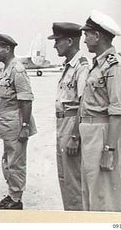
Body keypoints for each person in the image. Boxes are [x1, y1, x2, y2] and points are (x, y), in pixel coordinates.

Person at [0, 33, 36, 210]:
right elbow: (6, 96)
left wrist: (25, 127)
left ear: (8, 48)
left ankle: (16, 200)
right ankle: (12, 195)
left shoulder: (17, 69)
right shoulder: (7, 68)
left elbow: (26, 100)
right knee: (8, 160)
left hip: (16, 123)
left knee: (16, 162)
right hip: (8, 123)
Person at [79, 10, 121, 211]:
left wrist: (109, 150)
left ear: (97, 36)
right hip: (90, 133)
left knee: (104, 196)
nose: (85, 40)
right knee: (90, 193)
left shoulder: (115, 66)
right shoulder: (97, 65)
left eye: (86, 34)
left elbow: (117, 111)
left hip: (103, 134)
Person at [47, 22, 89, 211]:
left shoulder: (82, 67)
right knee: (65, 177)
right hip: (63, 123)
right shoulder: (70, 66)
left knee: (73, 180)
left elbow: (84, 104)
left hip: (72, 124)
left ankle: (77, 219)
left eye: (58, 41)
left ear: (70, 41)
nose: (55, 46)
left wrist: (74, 136)